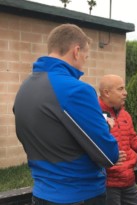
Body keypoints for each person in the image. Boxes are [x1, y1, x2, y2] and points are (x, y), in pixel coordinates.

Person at [13, 24, 119, 205]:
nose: (84, 63)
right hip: (80, 195)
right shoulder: (76, 90)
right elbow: (108, 155)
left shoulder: (25, 88)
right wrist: (105, 126)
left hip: (41, 194)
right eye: (86, 57)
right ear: (76, 51)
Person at [98, 74, 137, 205]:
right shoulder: (94, 115)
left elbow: (133, 140)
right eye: (120, 89)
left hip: (128, 180)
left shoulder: (125, 115)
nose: (125, 93)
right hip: (107, 185)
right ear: (106, 93)